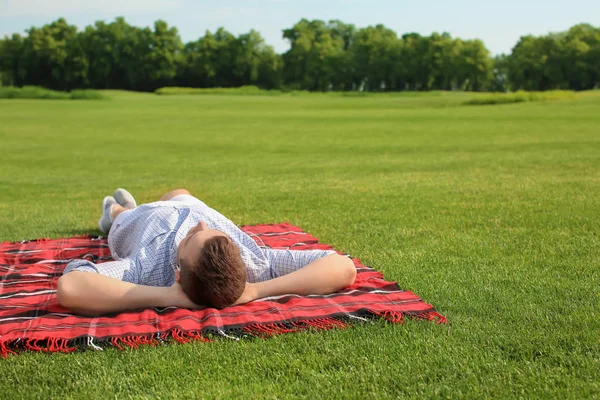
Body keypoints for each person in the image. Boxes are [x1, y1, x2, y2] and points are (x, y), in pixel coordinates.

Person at [57, 188, 356, 316]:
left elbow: (71, 287)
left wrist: (169, 296)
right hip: (190, 204)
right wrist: (255, 290)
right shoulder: (254, 263)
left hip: (144, 222)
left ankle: (114, 212)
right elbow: (343, 267)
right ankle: (167, 202)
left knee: (120, 211)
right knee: (180, 192)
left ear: (177, 274)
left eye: (191, 239)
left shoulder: (144, 270)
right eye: (212, 232)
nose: (199, 226)